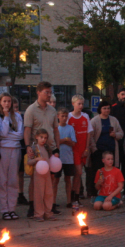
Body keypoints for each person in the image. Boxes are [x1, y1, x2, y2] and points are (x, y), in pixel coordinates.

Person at [23, 83, 61, 217]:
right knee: (35, 179)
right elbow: (27, 130)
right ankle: (32, 206)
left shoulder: (52, 110)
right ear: (38, 92)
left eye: (50, 92)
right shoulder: (31, 110)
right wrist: (28, 146)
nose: (49, 95)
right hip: (37, 149)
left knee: (50, 179)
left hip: (50, 148)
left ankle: (48, 206)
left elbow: (55, 130)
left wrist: (57, 148)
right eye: (46, 92)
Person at [0, 93, 24, 220]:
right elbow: (3, 133)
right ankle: (4, 209)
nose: (7, 103)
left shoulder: (17, 116)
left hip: (15, 149)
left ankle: (12, 208)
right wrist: (6, 116)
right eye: (4, 101)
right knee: (2, 180)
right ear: (0, 102)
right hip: (3, 149)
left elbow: (20, 135)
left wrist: (8, 136)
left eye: (9, 101)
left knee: (13, 180)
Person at [86, 101, 123, 197]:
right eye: (104, 108)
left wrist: (115, 135)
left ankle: (111, 192)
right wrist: (94, 149)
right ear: (100, 109)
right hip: (99, 151)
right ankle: (93, 194)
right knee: (97, 173)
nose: (107, 110)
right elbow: (90, 136)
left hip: (111, 150)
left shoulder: (114, 120)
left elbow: (121, 133)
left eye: (108, 108)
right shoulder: (94, 121)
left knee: (111, 172)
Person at [26, 129, 56, 221]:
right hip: (38, 174)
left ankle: (48, 212)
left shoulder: (47, 148)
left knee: (48, 193)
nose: (43, 139)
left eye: (45, 138)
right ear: (36, 137)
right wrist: (36, 159)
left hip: (47, 173)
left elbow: (50, 160)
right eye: (41, 137)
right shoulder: (34, 148)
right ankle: (38, 214)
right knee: (39, 194)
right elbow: (29, 162)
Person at [68, 95, 92, 204]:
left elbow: (88, 133)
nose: (81, 106)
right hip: (73, 150)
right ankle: (73, 197)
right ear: (73, 104)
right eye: (79, 104)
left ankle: (75, 197)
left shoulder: (85, 116)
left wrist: (87, 148)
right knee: (77, 173)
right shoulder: (69, 117)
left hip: (83, 150)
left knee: (78, 174)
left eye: (82, 104)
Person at [56, 108, 77, 208]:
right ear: (58, 117)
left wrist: (62, 141)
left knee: (68, 179)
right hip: (57, 159)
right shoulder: (56, 128)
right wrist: (65, 139)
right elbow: (55, 142)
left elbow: (73, 143)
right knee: (55, 180)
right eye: (62, 116)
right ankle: (52, 202)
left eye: (66, 116)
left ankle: (69, 201)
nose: (64, 118)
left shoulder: (70, 128)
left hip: (68, 158)